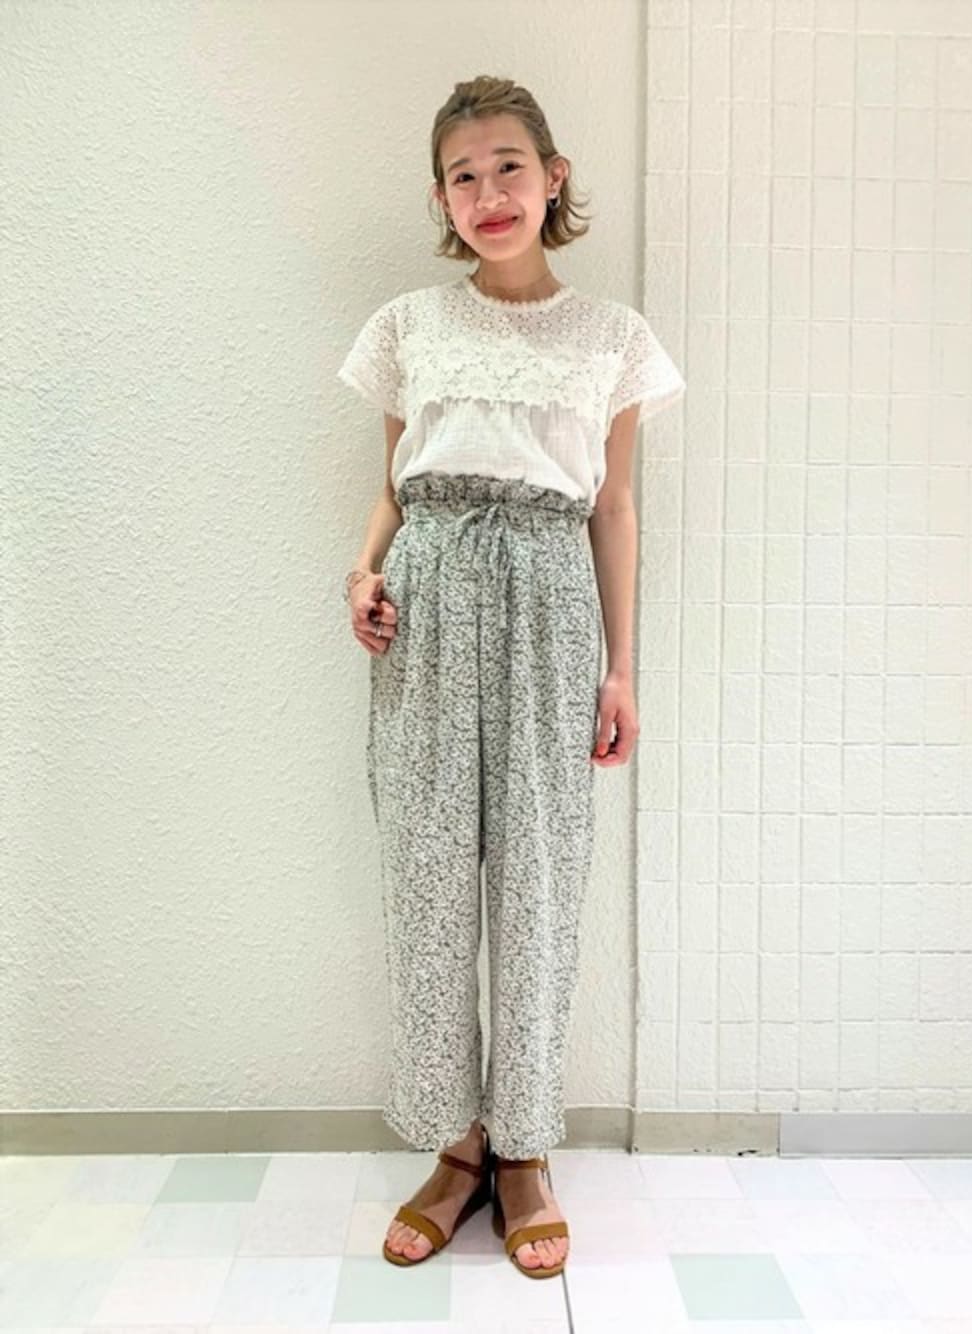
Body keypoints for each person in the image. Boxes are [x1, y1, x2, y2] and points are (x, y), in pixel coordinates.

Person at [337, 75, 685, 1280]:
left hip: (549, 598)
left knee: (537, 880)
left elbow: (614, 506)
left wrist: (621, 669)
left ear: (553, 177)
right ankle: (457, 1142)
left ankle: (527, 1145)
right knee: (429, 878)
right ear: (440, 196)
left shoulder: (612, 337)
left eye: (508, 167)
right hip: (428, 595)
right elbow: (391, 485)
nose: (488, 192)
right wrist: (363, 572)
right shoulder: (406, 327)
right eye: (462, 174)